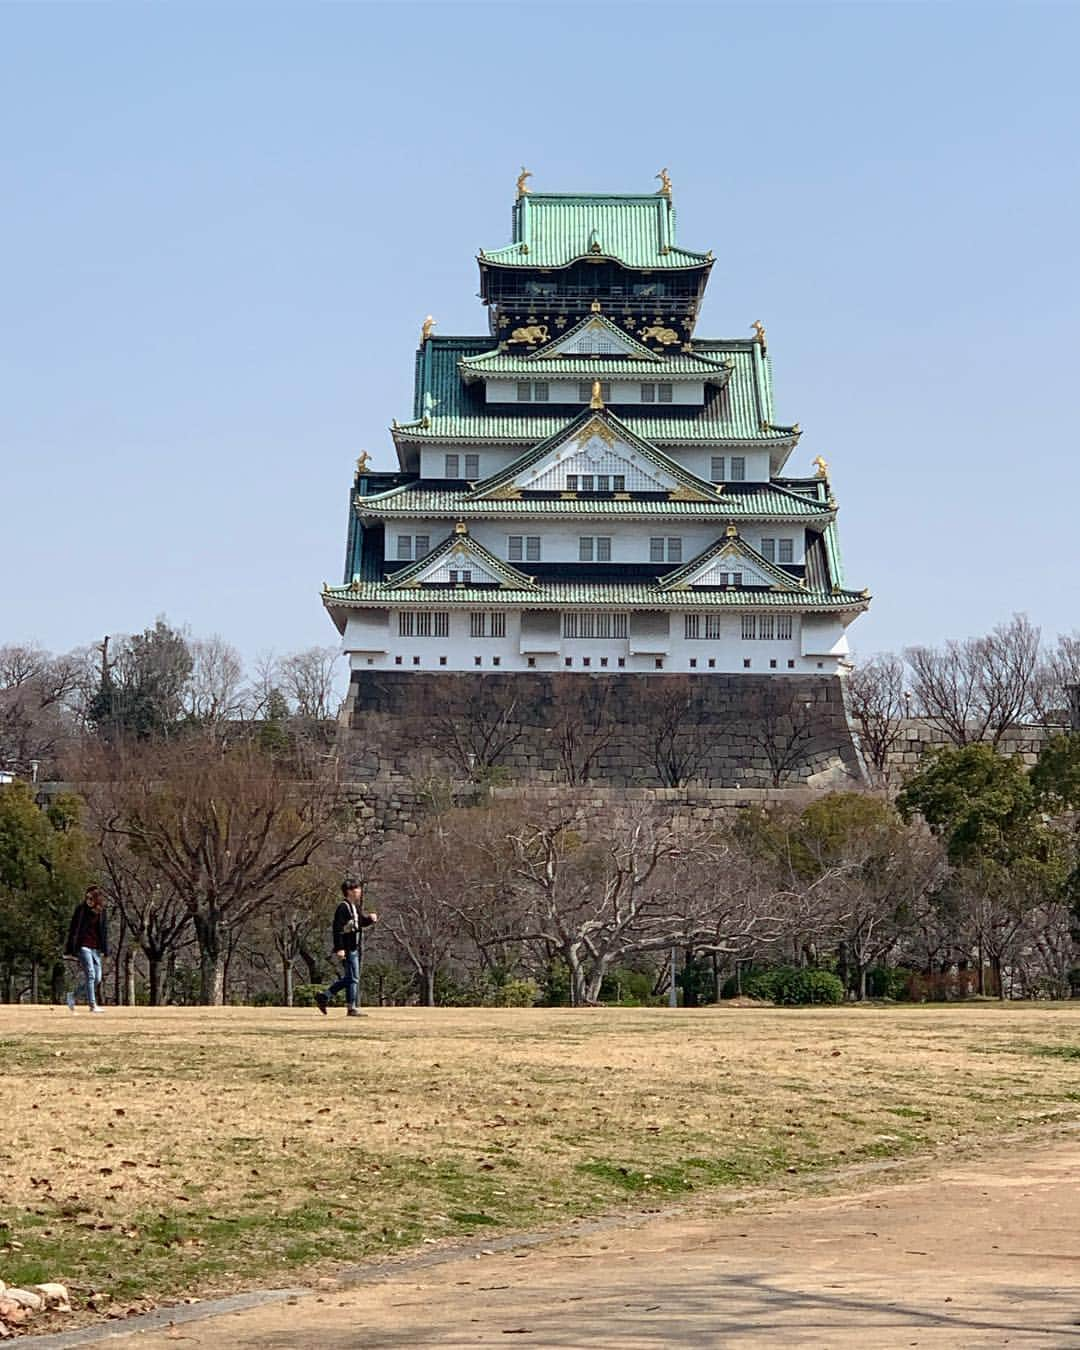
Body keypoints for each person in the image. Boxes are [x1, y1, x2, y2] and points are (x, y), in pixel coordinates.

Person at [316, 879, 378, 1018]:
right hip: (348, 948)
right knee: (353, 978)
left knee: (351, 978)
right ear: (349, 891)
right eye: (357, 889)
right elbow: (337, 929)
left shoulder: (354, 907)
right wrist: (339, 948)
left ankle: (327, 997)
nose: (359, 891)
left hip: (353, 947)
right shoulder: (343, 907)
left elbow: (359, 922)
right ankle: (348, 1006)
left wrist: (370, 919)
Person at [65, 885, 109, 1013]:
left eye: (91, 898)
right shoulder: (80, 910)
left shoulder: (102, 912)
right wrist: (69, 950)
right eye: (87, 897)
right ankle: (92, 1005)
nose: (88, 900)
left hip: (96, 948)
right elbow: (73, 929)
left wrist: (106, 951)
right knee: (90, 975)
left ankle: (72, 995)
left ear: (97, 899)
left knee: (97, 978)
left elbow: (104, 932)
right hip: (83, 946)